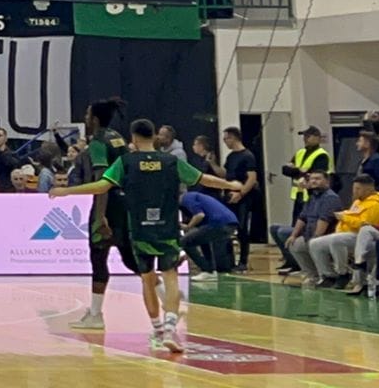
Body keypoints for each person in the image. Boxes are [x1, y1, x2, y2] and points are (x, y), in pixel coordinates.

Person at [52, 118, 243, 353]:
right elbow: (204, 179)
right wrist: (231, 185)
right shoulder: (171, 161)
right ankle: (171, 327)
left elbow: (102, 186)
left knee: (147, 279)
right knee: (170, 277)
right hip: (167, 229)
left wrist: (67, 191)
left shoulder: (126, 162)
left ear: (133, 138)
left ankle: (158, 328)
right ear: (154, 137)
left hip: (140, 230)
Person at [72, 98, 138, 331]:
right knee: (131, 259)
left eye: (87, 114)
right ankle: (167, 300)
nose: (85, 118)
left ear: (95, 119)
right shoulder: (117, 137)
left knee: (98, 257)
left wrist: (100, 216)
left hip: (108, 202)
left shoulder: (99, 142)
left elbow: (102, 178)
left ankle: (96, 315)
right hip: (125, 201)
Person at [300, 173, 379, 290]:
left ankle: (343, 273)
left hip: (361, 237)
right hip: (346, 234)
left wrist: (344, 217)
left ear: (368, 189)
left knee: (336, 240)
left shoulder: (375, 204)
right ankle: (328, 275)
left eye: (358, 189)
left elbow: (364, 226)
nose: (354, 191)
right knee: (315, 243)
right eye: (354, 188)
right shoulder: (358, 202)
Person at [280, 126, 334, 274]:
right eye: (304, 136)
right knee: (294, 227)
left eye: (308, 136)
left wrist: (298, 171)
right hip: (298, 194)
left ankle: (309, 263)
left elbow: (314, 174)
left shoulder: (321, 155)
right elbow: (285, 169)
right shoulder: (300, 152)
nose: (305, 139)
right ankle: (293, 261)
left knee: (307, 229)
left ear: (317, 137)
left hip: (311, 195)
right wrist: (300, 171)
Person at [276, 171, 343, 282]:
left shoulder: (330, 198)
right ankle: (312, 275)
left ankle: (328, 275)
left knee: (314, 244)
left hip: (326, 236)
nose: (314, 181)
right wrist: (293, 235)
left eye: (318, 178)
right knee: (295, 245)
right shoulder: (312, 197)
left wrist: (315, 238)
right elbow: (302, 217)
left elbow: (324, 220)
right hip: (309, 234)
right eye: (312, 179)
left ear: (327, 181)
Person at [222, 127, 260, 269]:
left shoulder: (247, 156)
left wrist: (241, 193)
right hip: (230, 195)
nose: (225, 141)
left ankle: (243, 261)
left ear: (233, 138)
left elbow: (252, 178)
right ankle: (228, 260)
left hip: (244, 198)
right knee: (227, 227)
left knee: (242, 229)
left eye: (226, 138)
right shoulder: (231, 157)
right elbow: (226, 174)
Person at [180, 189, 239, 275]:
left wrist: (188, 227)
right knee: (203, 239)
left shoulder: (186, 198)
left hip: (219, 223)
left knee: (184, 242)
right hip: (230, 222)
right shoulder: (195, 196)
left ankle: (207, 270)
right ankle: (210, 269)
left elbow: (199, 215)